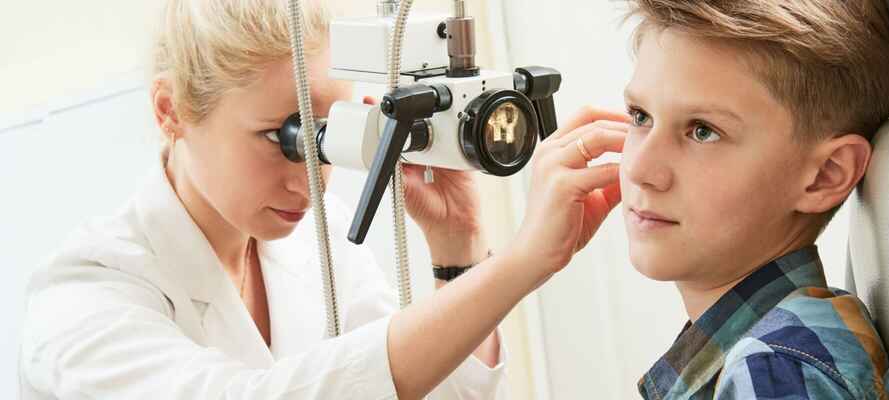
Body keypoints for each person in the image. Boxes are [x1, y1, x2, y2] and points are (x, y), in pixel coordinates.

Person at [17, 1, 628, 398]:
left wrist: (458, 242)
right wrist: (520, 262)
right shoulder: (84, 298)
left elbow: (439, 391)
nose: (312, 180)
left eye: (325, 139)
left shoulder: (322, 238)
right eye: (281, 138)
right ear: (170, 110)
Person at [618, 0, 889, 398]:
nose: (639, 168)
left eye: (702, 131)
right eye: (640, 116)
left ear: (826, 175)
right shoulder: (782, 350)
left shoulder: (775, 369)